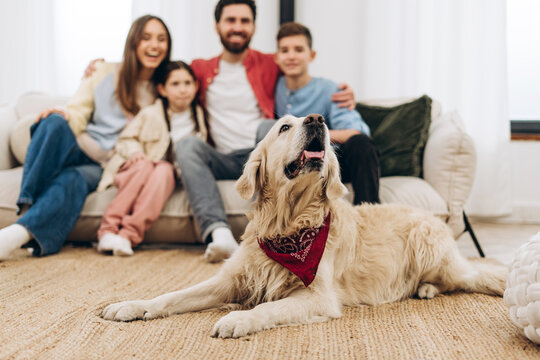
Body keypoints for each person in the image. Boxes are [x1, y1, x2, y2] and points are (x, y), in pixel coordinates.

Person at [176, 0, 356, 263]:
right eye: (231, 20)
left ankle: (266, 229)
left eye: (244, 21)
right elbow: (161, 77)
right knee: (186, 145)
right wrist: (101, 68)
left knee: (266, 127)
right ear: (217, 26)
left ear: (253, 26)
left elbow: (301, 74)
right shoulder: (199, 69)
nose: (238, 27)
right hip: (220, 157)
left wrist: (342, 94)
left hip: (261, 154)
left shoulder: (270, 64)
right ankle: (219, 233)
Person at [0, 15, 172, 260]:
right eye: (146, 38)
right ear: (133, 42)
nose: (154, 45)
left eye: (161, 39)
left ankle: (16, 234)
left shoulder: (165, 89)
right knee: (54, 121)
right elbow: (78, 111)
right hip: (79, 146)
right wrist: (66, 112)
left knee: (71, 180)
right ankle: (28, 205)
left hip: (104, 166)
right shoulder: (104, 71)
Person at [96, 61, 207, 256]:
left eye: (188, 83)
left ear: (196, 86)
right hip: (135, 168)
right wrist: (136, 153)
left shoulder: (198, 115)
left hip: (164, 176)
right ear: (162, 90)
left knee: (164, 170)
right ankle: (108, 230)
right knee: (145, 166)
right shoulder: (150, 113)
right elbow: (125, 139)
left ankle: (127, 236)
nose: (183, 90)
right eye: (175, 84)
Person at [273, 22, 380, 204]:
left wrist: (311, 134)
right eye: (285, 50)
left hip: (328, 162)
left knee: (362, 145)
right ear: (276, 57)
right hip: (293, 164)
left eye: (299, 49)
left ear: (311, 55)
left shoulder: (331, 89)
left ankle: (369, 213)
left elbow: (357, 133)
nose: (291, 56)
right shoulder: (273, 88)